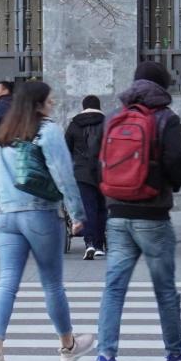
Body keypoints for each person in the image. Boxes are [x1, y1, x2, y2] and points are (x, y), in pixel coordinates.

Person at [90, 62, 181, 361]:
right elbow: (177, 161)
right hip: (153, 213)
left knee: (114, 287)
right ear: (163, 86)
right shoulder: (166, 117)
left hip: (118, 213)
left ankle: (106, 355)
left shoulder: (113, 117)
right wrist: (169, 185)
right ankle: (175, 351)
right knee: (164, 288)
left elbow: (97, 160)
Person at [0, 81, 94, 361]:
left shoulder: (3, 134)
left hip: (6, 215)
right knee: (52, 283)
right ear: (37, 104)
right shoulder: (47, 131)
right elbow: (63, 174)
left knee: (6, 283)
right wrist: (77, 213)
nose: (53, 104)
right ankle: (68, 346)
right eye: (50, 100)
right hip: (40, 213)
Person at [65, 94, 108, 259]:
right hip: (104, 172)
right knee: (102, 208)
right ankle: (99, 245)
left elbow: (66, 150)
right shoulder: (107, 123)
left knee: (88, 208)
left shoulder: (74, 125)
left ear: (83, 107)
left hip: (82, 173)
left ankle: (89, 243)